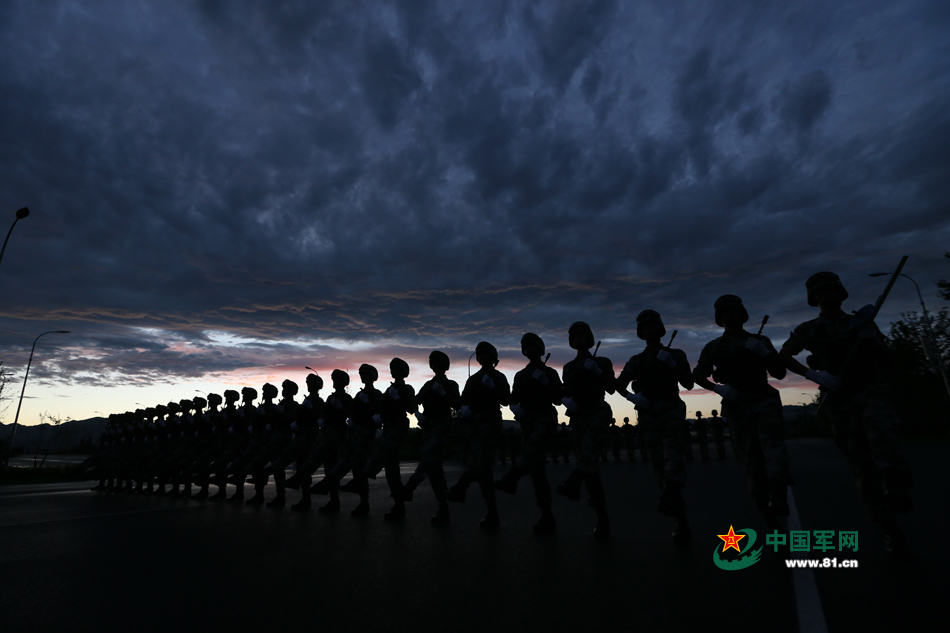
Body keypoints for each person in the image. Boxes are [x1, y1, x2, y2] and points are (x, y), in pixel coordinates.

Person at [779, 271, 913, 552]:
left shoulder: (861, 323)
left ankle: (896, 485)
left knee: (885, 440)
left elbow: (886, 358)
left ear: (841, 293)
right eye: (821, 291)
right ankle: (888, 529)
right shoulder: (808, 330)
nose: (827, 295)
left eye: (831, 289)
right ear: (813, 298)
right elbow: (784, 358)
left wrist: (869, 339)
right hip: (839, 399)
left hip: (869, 391)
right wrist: (815, 375)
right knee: (862, 468)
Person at [693, 294, 790, 529]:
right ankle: (768, 517)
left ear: (743, 314)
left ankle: (779, 495)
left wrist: (765, 353)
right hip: (738, 405)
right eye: (726, 313)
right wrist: (720, 389)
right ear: (720, 318)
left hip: (763, 400)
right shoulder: (714, 347)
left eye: (735, 311)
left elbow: (779, 373)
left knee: (774, 454)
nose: (731, 316)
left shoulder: (760, 340)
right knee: (752, 462)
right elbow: (697, 375)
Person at [616, 310, 693, 545]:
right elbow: (618, 385)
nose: (650, 331)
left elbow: (688, 383)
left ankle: (677, 515)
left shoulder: (676, 354)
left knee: (673, 461)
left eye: (653, 326)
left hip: (670, 411)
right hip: (648, 415)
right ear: (641, 333)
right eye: (645, 327)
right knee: (659, 465)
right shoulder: (636, 361)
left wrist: (672, 365)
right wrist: (634, 399)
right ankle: (680, 520)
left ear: (660, 329)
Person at [494, 333, 561, 534]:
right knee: (537, 473)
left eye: (532, 345)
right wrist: (516, 409)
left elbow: (558, 398)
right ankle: (546, 516)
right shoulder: (520, 376)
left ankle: (511, 478)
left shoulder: (549, 373)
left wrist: (545, 383)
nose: (529, 349)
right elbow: (512, 399)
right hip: (528, 423)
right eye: (526, 346)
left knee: (531, 454)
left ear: (540, 349)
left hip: (544, 420)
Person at [556, 321, 615, 539]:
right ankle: (602, 519)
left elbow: (611, 387)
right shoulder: (568, 368)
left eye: (582, 336)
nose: (579, 340)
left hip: (597, 413)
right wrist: (565, 400)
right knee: (590, 470)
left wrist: (598, 371)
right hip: (578, 418)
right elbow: (565, 391)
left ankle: (572, 482)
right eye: (575, 337)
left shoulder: (602, 361)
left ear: (589, 338)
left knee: (588, 456)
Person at [448, 342, 511, 529]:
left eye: (485, 353)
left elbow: (506, 400)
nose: (482, 357)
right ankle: (492, 513)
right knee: (484, 472)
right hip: (474, 426)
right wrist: (463, 408)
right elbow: (464, 400)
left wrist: (494, 388)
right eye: (479, 354)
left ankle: (461, 487)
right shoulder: (473, 379)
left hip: (490, 424)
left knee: (480, 464)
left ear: (492, 357)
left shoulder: (499, 377)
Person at [402, 351, 460, 524]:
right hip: (429, 428)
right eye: (433, 362)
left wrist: (443, 394)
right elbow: (414, 402)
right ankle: (443, 510)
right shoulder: (428, 384)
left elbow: (458, 403)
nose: (435, 365)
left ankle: (410, 487)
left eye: (437, 363)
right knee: (435, 473)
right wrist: (417, 413)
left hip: (442, 429)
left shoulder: (451, 384)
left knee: (429, 459)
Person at [325, 364, 381, 516]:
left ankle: (364, 504)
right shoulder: (347, 396)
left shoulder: (374, 394)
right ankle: (335, 501)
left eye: (365, 374)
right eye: (361, 374)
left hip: (364, 437)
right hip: (351, 436)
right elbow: (351, 414)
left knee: (361, 470)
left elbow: (376, 415)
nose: (362, 376)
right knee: (354, 470)